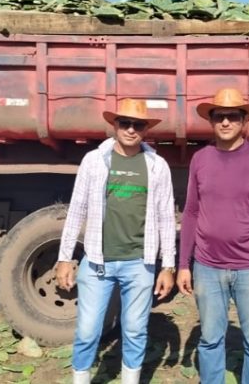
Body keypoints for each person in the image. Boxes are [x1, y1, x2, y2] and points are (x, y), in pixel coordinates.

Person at [176, 88, 249, 384]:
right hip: (208, 266)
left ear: (244, 121)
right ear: (211, 121)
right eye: (219, 116)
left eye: (233, 116)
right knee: (209, 340)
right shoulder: (200, 159)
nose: (226, 122)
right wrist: (183, 264)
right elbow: (191, 212)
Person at [55, 98, 177, 384]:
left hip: (140, 264)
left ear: (146, 129)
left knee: (135, 330)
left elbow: (166, 218)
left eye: (138, 124)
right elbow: (77, 209)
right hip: (98, 263)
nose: (131, 129)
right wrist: (64, 257)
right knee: (87, 330)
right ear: (114, 125)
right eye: (125, 123)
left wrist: (168, 266)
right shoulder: (94, 160)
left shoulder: (157, 166)